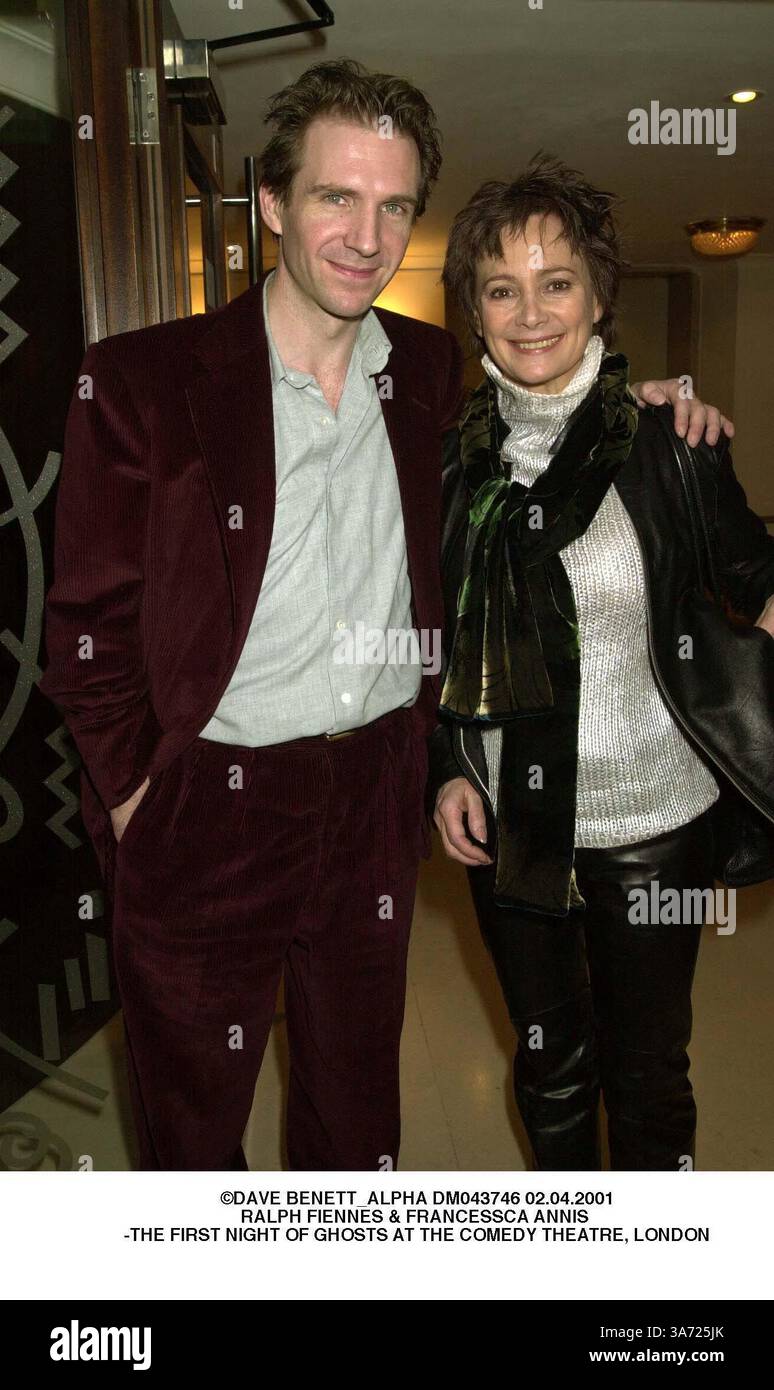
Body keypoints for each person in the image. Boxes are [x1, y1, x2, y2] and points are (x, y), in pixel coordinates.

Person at [39, 64, 728, 1172]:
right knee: (196, 1128)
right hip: (209, 803)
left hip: (369, 797)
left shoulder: (426, 369)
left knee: (357, 1120)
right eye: (334, 197)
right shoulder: (140, 382)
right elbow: (85, 629)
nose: (365, 234)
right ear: (272, 203)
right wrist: (136, 799)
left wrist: (641, 403)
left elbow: (533, 417)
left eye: (394, 205)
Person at [429, 155, 774, 1171]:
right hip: (513, 830)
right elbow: (431, 640)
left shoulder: (670, 440)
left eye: (557, 282)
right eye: (502, 288)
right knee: (550, 1070)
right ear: (477, 312)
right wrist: (448, 762)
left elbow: (757, 578)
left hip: (653, 830)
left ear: (598, 297)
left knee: (648, 1072)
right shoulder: (449, 462)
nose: (530, 313)